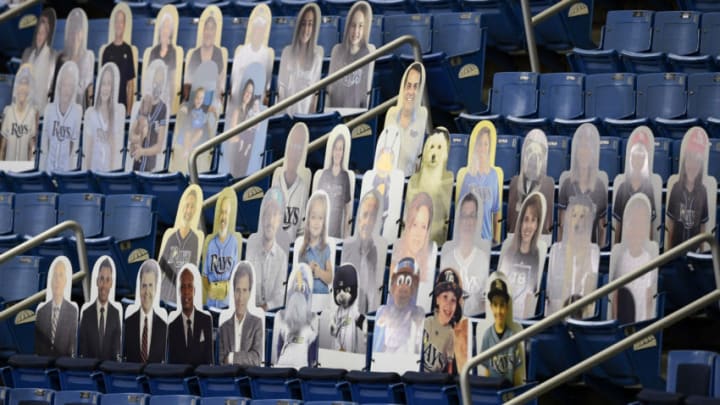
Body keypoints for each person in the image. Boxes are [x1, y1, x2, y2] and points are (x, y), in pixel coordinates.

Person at [547, 195, 600, 319]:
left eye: (582, 217)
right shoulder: (556, 251)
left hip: (584, 318)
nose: (577, 222)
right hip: (557, 317)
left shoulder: (593, 252)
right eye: (574, 216)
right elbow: (550, 293)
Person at [610, 194, 658, 324]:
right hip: (623, 319)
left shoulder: (648, 258)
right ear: (627, 226)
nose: (637, 229)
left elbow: (649, 296)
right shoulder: (621, 258)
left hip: (641, 320)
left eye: (641, 224)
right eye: (633, 223)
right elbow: (615, 295)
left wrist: (647, 325)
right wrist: (615, 321)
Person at [558, 124, 608, 246]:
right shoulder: (567, 184)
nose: (584, 152)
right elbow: (561, 225)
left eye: (588, 148)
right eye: (581, 148)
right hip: (569, 250)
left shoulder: (600, 187)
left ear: (593, 154)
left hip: (589, 251)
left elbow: (602, 228)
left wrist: (599, 254)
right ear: (576, 153)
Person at [498, 192, 545, 319]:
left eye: (533, 220)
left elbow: (531, 297)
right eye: (525, 220)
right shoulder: (509, 252)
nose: (528, 226)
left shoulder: (538, 256)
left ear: (537, 225)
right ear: (520, 223)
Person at [440, 192, 489, 316]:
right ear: (458, 220)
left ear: (477, 220)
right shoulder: (447, 259)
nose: (467, 222)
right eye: (464, 216)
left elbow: (484, 305)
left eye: (472, 216)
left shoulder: (483, 260)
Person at [666, 128, 710, 250]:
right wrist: (668, 251)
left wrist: (701, 251)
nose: (692, 165)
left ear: (700, 166)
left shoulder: (703, 191)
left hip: (694, 250)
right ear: (684, 163)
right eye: (689, 160)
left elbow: (702, 227)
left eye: (697, 161)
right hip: (676, 248)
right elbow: (671, 224)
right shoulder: (675, 188)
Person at [326, 1, 375, 109]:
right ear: (348, 26)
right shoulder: (337, 51)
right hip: (335, 112)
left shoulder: (369, 51)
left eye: (361, 26)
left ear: (366, 28)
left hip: (357, 114)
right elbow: (330, 91)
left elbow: (366, 93)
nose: (356, 31)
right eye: (353, 25)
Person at [342, 190, 383, 313]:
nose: (368, 222)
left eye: (373, 216)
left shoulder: (375, 252)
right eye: (365, 215)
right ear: (358, 218)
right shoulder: (347, 248)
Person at [383, 63, 428, 176]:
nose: (411, 92)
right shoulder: (391, 114)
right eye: (408, 86)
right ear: (403, 88)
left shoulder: (422, 116)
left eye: (415, 87)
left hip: (408, 181)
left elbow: (417, 161)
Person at [277, 3, 323, 115]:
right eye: (303, 24)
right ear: (298, 26)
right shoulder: (287, 52)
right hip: (286, 115)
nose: (306, 29)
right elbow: (281, 92)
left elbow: (314, 97)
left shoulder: (317, 58)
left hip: (305, 116)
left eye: (310, 24)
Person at [372, 258, 425, 354]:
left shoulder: (418, 314)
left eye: (408, 282)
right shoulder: (383, 311)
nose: (403, 288)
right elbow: (377, 346)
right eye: (400, 281)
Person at [248, 188, 289, 311]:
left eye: (274, 215)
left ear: (279, 220)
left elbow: (279, 296)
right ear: (262, 217)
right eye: (267, 214)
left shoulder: (282, 257)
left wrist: (264, 308)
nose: (270, 221)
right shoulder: (251, 249)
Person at [507, 130, 554, 237]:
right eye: (530, 152)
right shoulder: (514, 183)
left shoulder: (548, 186)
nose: (533, 158)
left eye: (538, 155)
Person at [613, 131, 657, 244]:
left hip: (642, 247)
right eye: (635, 157)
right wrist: (616, 250)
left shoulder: (648, 189)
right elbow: (618, 225)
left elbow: (650, 225)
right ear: (630, 159)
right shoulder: (622, 188)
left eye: (641, 158)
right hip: (625, 245)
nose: (638, 161)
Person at [159, 187, 202, 303]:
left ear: (195, 210)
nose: (188, 210)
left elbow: (193, 270)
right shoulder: (172, 237)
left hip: (181, 297)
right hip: (164, 294)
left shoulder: (195, 239)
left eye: (192, 207)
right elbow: (160, 267)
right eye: (187, 205)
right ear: (182, 208)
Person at [458, 125, 500, 243]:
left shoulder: (494, 176)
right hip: (468, 240)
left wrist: (495, 240)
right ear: (476, 147)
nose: (482, 147)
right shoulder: (468, 176)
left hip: (486, 241)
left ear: (489, 147)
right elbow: (461, 212)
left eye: (485, 144)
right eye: (480, 144)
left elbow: (496, 211)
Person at [423, 268, 469, 375]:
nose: (448, 305)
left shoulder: (454, 334)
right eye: (445, 297)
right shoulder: (424, 323)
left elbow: (451, 371)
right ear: (437, 299)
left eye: (453, 300)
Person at [480, 277, 524, 386]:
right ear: (491, 307)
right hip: (493, 393)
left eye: (502, 305)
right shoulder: (487, 336)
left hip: (509, 394)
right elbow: (486, 372)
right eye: (495, 305)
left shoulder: (512, 337)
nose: (499, 311)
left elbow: (517, 375)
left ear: (507, 307)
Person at [219, 262, 264, 366]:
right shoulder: (224, 328)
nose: (240, 297)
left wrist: (231, 357)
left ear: (249, 293)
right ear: (233, 292)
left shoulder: (257, 324)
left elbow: (256, 359)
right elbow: (221, 361)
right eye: (238, 290)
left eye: (244, 290)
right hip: (229, 379)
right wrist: (246, 357)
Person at [274, 265, 319, 367]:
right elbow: (312, 359)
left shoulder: (310, 328)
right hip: (285, 369)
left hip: (298, 370)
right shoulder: (284, 325)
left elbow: (312, 357)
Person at [83, 63, 125, 171]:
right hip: (94, 171)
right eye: (103, 84)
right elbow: (88, 150)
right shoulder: (91, 114)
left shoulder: (116, 115)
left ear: (113, 88)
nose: (106, 88)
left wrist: (110, 174)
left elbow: (114, 150)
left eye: (109, 84)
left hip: (107, 174)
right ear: (99, 86)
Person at [124, 260, 168, 363]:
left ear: (156, 288)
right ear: (139, 288)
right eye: (144, 286)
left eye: (150, 285)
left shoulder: (163, 325)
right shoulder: (129, 322)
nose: (147, 292)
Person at [41, 61, 81, 172]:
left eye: (70, 86)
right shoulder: (50, 109)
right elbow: (47, 140)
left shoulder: (76, 112)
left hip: (65, 169)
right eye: (64, 85)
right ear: (59, 86)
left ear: (73, 89)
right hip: (49, 167)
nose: (66, 90)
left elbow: (72, 144)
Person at [202, 194, 241, 308]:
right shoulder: (211, 243)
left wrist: (225, 290)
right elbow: (205, 275)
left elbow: (236, 277)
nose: (223, 217)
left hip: (226, 303)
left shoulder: (234, 242)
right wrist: (211, 290)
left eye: (226, 213)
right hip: (211, 302)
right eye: (222, 212)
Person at [168, 267, 213, 366]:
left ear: (194, 291)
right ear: (179, 291)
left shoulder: (206, 320)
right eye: (183, 287)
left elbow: (209, 359)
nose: (186, 292)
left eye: (189, 286)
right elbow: (172, 363)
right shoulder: (172, 327)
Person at [78, 258, 122, 360]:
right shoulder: (86, 313)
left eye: (107, 280)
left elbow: (116, 351)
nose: (104, 285)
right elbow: (83, 350)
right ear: (97, 281)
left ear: (111, 283)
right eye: (101, 279)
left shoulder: (116, 314)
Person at [272, 123, 310, 239]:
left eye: (299, 147)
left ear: (302, 152)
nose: (294, 151)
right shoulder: (276, 181)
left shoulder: (303, 187)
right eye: (292, 145)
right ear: (287, 148)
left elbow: (301, 230)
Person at [35, 258, 78, 357]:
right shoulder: (41, 311)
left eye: (61, 275)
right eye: (55, 276)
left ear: (66, 280)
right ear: (50, 281)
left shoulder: (73, 311)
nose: (57, 280)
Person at [130, 61, 168, 172]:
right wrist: (141, 137)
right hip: (136, 163)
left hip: (151, 166)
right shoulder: (143, 103)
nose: (157, 83)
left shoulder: (162, 108)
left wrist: (143, 151)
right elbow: (131, 135)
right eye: (156, 79)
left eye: (161, 80)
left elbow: (159, 146)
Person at [392, 192, 436, 284]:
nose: (418, 234)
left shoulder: (428, 271)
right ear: (407, 225)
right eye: (414, 225)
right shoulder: (394, 267)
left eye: (423, 226)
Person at [54, 8, 94, 110]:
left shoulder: (87, 57)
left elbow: (84, 90)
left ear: (82, 33)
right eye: (72, 30)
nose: (75, 35)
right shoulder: (60, 58)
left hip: (78, 110)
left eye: (78, 30)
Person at [231, 5, 273, 98]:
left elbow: (267, 86)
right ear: (252, 31)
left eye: (261, 31)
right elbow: (234, 81)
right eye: (256, 30)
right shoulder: (241, 52)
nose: (258, 34)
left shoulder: (267, 55)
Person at [316, 133, 353, 238]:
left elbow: (347, 208)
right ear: (332, 151)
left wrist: (346, 234)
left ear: (343, 152)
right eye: (335, 149)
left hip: (335, 235)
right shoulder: (325, 174)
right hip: (320, 232)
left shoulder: (345, 176)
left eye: (340, 149)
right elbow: (317, 203)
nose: (337, 152)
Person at [184, 11, 225, 106]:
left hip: (212, 101)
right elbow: (188, 83)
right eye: (207, 29)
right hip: (195, 101)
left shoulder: (218, 53)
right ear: (203, 31)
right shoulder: (195, 54)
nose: (209, 33)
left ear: (215, 33)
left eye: (212, 29)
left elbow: (220, 83)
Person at [101, 5, 136, 114]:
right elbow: (103, 84)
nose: (119, 25)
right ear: (113, 24)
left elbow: (130, 84)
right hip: (107, 108)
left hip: (122, 108)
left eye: (121, 22)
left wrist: (129, 111)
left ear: (124, 25)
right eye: (117, 21)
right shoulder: (107, 51)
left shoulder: (128, 50)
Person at [227, 72, 263, 178]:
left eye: (250, 93)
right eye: (246, 91)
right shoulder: (237, 111)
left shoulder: (249, 111)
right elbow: (232, 137)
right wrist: (242, 139)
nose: (248, 94)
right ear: (242, 92)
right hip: (236, 151)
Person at [172, 86, 214, 173]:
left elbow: (211, 108)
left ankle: (188, 147)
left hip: (198, 129)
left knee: (200, 132)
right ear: (194, 99)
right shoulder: (191, 107)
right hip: (190, 127)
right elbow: (185, 108)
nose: (199, 100)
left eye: (201, 98)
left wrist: (213, 110)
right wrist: (183, 109)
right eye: (197, 98)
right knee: (187, 134)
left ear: (203, 100)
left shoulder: (204, 107)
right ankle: (187, 149)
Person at [297, 192, 333, 294]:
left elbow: (330, 277)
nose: (316, 222)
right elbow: (299, 280)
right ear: (308, 220)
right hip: (307, 297)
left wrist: (319, 272)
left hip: (322, 300)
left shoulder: (325, 248)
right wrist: (308, 270)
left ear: (324, 222)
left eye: (320, 218)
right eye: (313, 217)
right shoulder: (303, 251)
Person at [21, 8, 56, 114]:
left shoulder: (52, 55)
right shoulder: (27, 53)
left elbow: (49, 88)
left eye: (43, 33)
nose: (40, 36)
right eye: (38, 33)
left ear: (47, 35)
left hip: (40, 109)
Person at [1, 65, 38, 161]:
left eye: (26, 84)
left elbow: (32, 147)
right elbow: (2, 147)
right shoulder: (8, 111)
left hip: (24, 169)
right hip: (7, 169)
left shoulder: (33, 113)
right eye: (20, 84)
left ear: (30, 88)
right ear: (16, 87)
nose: (22, 88)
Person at [148, 11, 179, 111]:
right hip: (153, 96)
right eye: (163, 27)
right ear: (160, 30)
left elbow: (173, 81)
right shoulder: (153, 52)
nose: (165, 31)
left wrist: (172, 104)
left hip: (166, 97)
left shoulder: (173, 52)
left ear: (170, 32)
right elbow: (149, 78)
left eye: (167, 28)